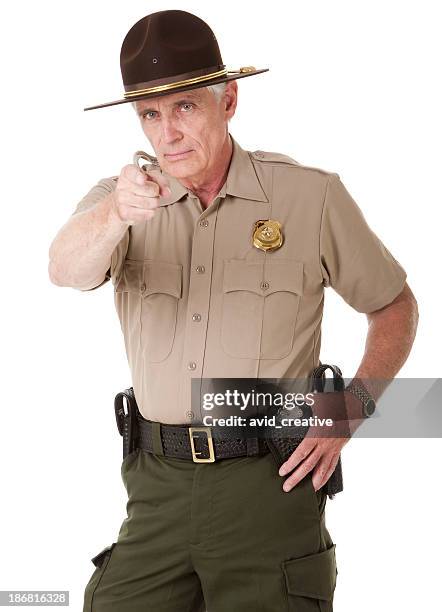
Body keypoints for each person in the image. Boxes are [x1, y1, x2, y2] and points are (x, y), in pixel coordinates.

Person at [48, 9, 419, 612]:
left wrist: (350, 409)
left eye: (186, 107)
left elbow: (394, 305)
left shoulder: (310, 196)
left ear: (229, 100)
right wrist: (116, 213)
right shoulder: (120, 202)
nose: (167, 133)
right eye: (150, 114)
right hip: (155, 486)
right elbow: (64, 268)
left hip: (270, 485)